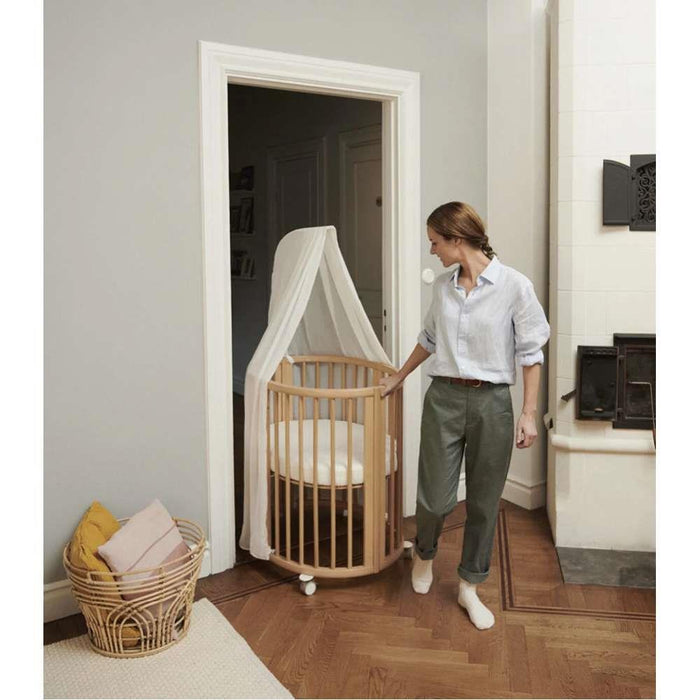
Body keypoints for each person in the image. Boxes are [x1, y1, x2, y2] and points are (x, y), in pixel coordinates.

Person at [379, 201, 550, 631]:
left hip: (493, 403)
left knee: (484, 502)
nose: (432, 250)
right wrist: (399, 376)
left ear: (457, 240)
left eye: (435, 242)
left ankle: (469, 585)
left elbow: (531, 353)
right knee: (434, 498)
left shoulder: (514, 286)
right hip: (444, 399)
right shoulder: (442, 286)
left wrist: (529, 413)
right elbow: (429, 338)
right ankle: (424, 553)